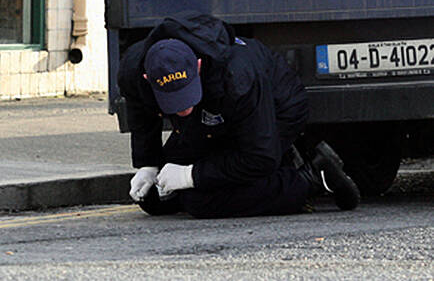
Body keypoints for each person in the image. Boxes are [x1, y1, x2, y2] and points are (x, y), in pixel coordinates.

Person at [118, 13, 360, 219]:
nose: (183, 110)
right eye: (173, 100)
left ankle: (312, 179)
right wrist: (148, 164)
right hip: (211, 115)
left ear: (198, 66)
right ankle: (275, 172)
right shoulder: (133, 68)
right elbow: (141, 112)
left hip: (275, 109)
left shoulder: (238, 77)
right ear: (148, 79)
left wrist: (191, 175)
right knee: (153, 199)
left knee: (201, 202)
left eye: (186, 96)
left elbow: (258, 156)